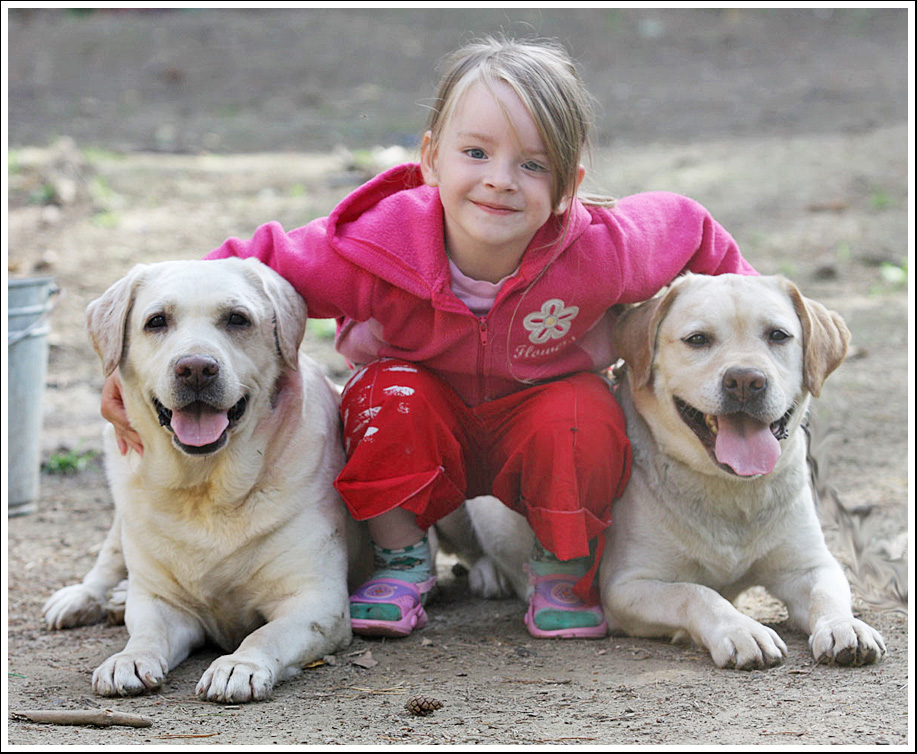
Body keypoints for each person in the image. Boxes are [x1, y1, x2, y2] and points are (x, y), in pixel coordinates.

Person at [102, 36, 756, 640]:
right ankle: (402, 558)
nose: (500, 178)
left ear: (568, 188)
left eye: (532, 164)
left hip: (537, 416)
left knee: (581, 409)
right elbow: (245, 270)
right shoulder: (376, 246)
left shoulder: (603, 251)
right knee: (388, 393)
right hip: (420, 419)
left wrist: (752, 346)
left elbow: (692, 230)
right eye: (475, 153)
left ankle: (562, 569)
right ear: (429, 159)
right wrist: (155, 363)